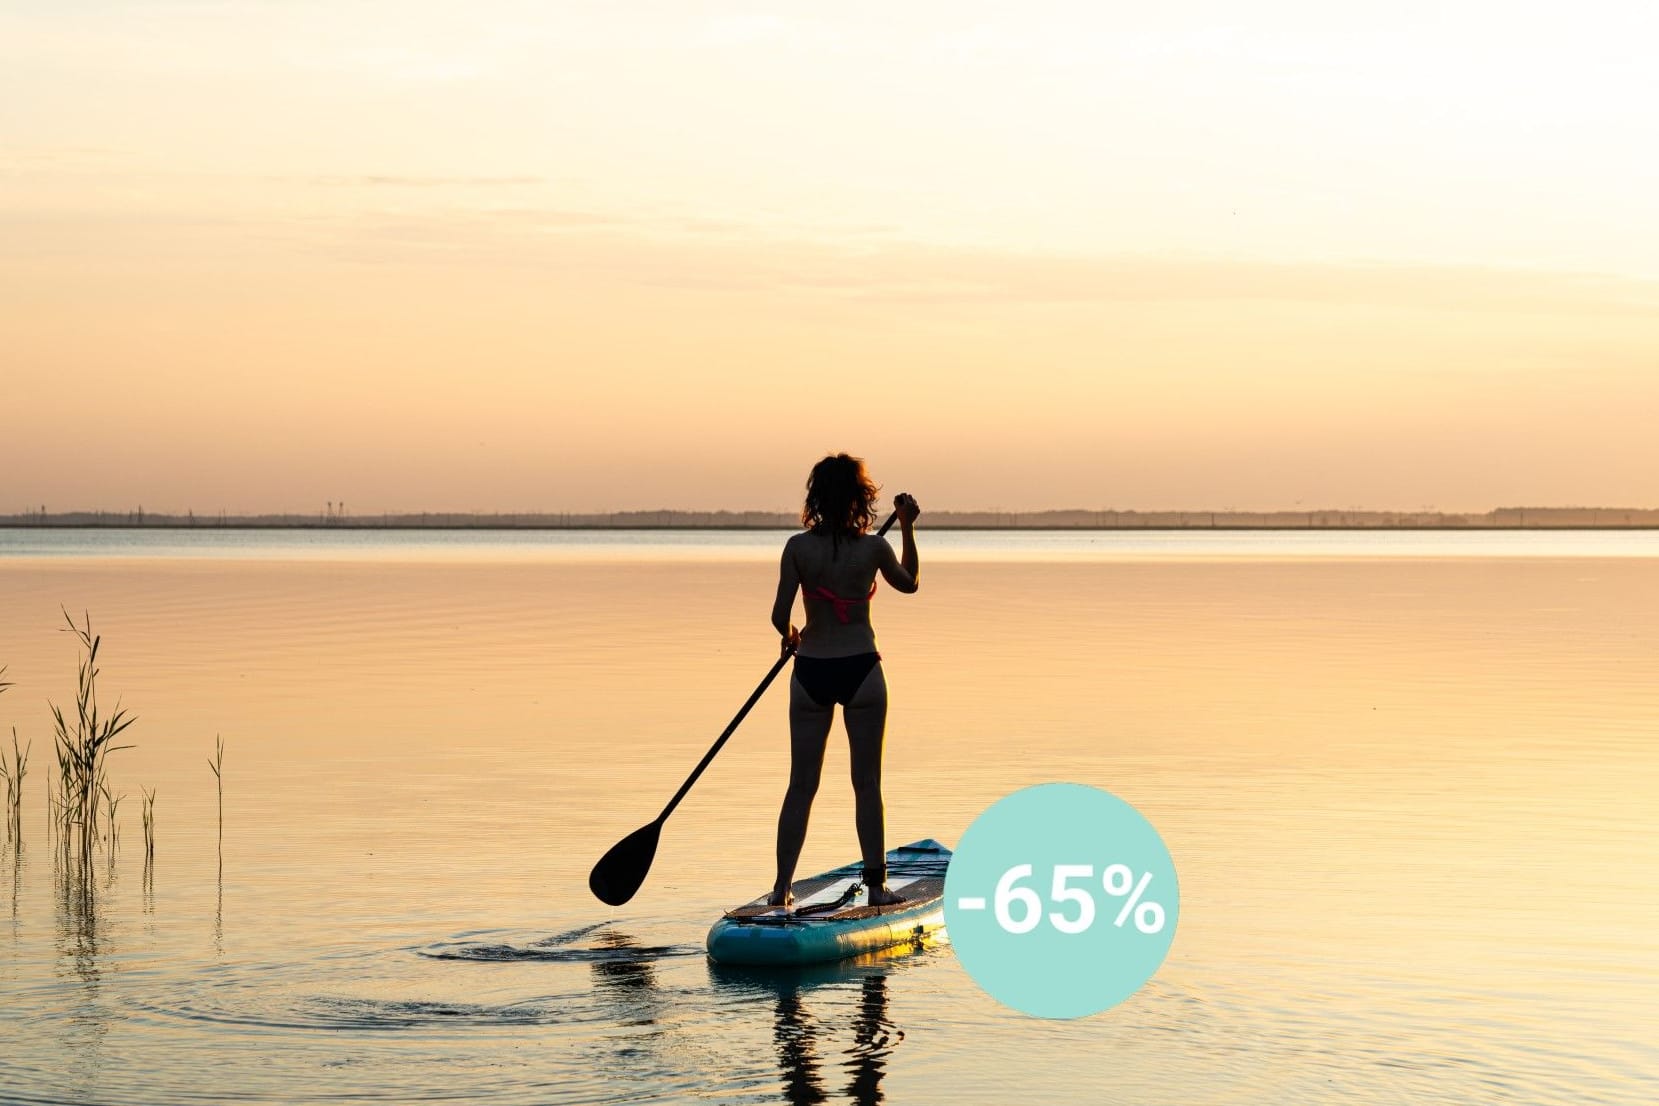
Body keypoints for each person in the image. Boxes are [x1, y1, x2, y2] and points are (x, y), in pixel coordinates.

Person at [768, 453, 920, 910]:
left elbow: (779, 616)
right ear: (861, 498)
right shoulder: (873, 549)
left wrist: (793, 636)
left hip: (811, 671)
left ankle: (781, 889)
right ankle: (876, 887)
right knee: (866, 783)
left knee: (801, 785)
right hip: (861, 671)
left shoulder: (797, 548)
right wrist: (909, 527)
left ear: (816, 497)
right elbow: (910, 583)